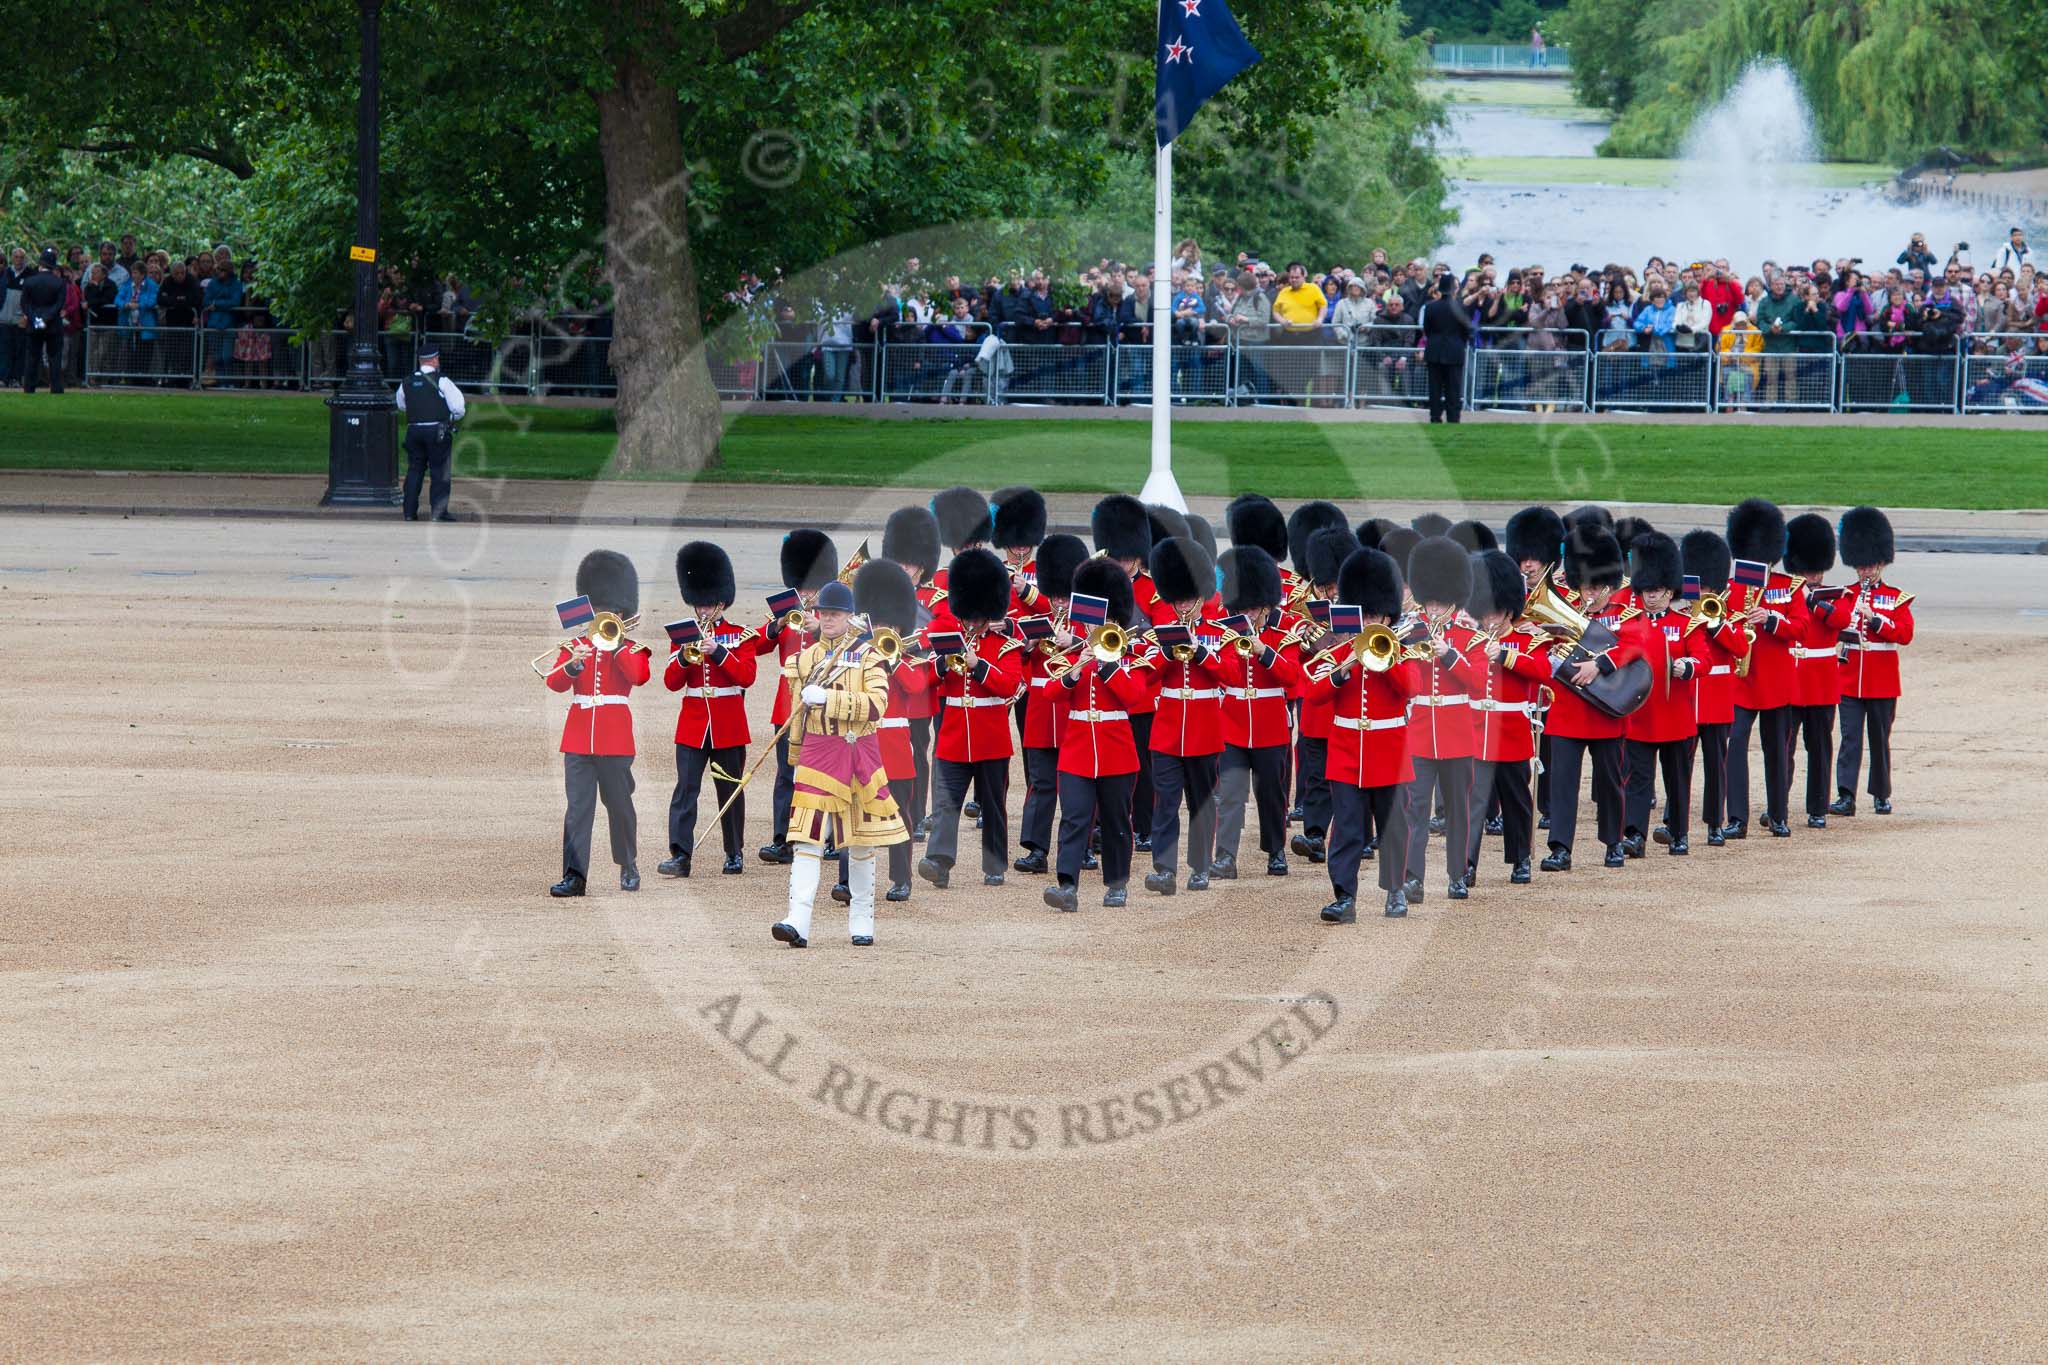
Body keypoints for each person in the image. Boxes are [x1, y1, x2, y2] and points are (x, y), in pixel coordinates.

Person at [769, 579, 907, 949]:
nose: (827, 619)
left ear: (849, 616)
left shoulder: (869, 655)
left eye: (834, 613)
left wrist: (829, 698)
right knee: (806, 839)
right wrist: (794, 757)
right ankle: (798, 919)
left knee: (860, 842)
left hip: (857, 752)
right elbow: (797, 718)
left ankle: (862, 917)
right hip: (817, 754)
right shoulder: (802, 660)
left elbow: (878, 705)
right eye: (823, 613)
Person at [1312, 548, 1421, 922]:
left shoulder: (1401, 652)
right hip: (1346, 753)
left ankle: (1395, 890)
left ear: (1388, 616)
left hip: (1389, 751)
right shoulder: (1341, 650)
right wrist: (1344, 668)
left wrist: (1382, 659)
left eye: (1375, 615)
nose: (1369, 621)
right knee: (1345, 829)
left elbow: (1410, 688)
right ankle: (1344, 896)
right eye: (1365, 614)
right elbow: (1313, 694)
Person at [1044, 560, 1155, 911]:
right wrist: (1078, 670)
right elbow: (1050, 691)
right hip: (1077, 749)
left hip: (1116, 749)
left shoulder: (1130, 655)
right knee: (1074, 817)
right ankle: (1067, 885)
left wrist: (1107, 665)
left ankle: (1117, 883)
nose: (1094, 626)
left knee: (1117, 820)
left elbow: (1137, 697)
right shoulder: (1075, 653)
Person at [914, 548, 1025, 889]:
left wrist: (978, 666)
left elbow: (1010, 685)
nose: (974, 624)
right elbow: (922, 681)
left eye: (978, 618)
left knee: (993, 805)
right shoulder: (947, 638)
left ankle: (994, 864)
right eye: (969, 617)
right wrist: (942, 664)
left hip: (990, 736)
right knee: (945, 803)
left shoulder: (1005, 645)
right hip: (953, 735)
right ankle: (938, 861)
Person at [542, 550, 650, 897]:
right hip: (577, 740)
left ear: (622, 614)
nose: (605, 615)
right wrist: (573, 664)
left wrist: (616, 647)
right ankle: (575, 875)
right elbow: (555, 683)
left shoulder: (632, 648)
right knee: (578, 809)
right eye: (600, 609)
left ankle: (628, 863)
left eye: (611, 611)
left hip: (615, 740)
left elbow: (639, 676)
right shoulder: (575, 646)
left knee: (619, 807)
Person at [1539, 526, 1644, 871]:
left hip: (1606, 709)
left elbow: (1636, 643)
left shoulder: (1625, 609)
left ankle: (1613, 842)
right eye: (1585, 586)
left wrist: (1600, 664)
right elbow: (1547, 646)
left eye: (1595, 587)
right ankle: (1560, 847)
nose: (1589, 593)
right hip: (1568, 709)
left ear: (1608, 584)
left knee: (1611, 782)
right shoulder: (1563, 606)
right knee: (1562, 784)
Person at [660, 542, 758, 879]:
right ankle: (680, 854)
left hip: (728, 722)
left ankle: (734, 852)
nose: (702, 610)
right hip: (692, 723)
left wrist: (717, 652)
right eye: (698, 603)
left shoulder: (739, 635)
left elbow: (746, 676)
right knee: (685, 791)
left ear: (721, 602)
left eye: (708, 604)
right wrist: (685, 657)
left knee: (729, 789)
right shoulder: (683, 636)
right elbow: (671, 682)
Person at [1399, 537, 1484, 901]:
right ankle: (1413, 877)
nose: (1432, 609)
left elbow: (1478, 683)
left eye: (1438, 603)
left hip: (1456, 733)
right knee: (1415, 809)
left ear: (1453, 600)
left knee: (1458, 812)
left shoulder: (1469, 637)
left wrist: (1449, 654)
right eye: (1428, 601)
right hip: (1420, 732)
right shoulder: (1408, 632)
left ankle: (1457, 875)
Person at [1143, 537, 1228, 896]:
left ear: (1200, 598)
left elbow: (1232, 675)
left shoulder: (1216, 633)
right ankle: (1164, 869)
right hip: (1168, 729)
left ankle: (1200, 866)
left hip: (1204, 728)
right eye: (1177, 600)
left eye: (1188, 600)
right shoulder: (1160, 634)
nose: (1182, 606)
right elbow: (1146, 676)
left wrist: (1199, 655)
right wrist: (1168, 655)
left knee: (1200, 803)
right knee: (1165, 802)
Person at [1724, 498, 1805, 839]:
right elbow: (1722, 624)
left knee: (1777, 750)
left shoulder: (1788, 587)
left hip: (1775, 681)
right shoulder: (1734, 587)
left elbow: (1801, 628)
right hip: (1742, 681)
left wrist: (1772, 619)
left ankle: (1778, 814)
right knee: (1735, 748)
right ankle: (1737, 818)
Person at [1464, 550, 1546, 885]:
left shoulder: (1527, 638)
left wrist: (1508, 656)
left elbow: (1542, 671)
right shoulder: (1472, 639)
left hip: (1511, 731)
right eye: (1484, 613)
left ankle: (1520, 858)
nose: (1489, 620)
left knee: (1516, 800)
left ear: (1509, 609)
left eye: (1494, 613)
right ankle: (1466, 862)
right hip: (1476, 731)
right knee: (1473, 802)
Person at [755, 530, 838, 864]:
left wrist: (817, 626)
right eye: (802, 586)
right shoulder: (787, 608)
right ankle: (784, 839)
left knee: (827, 773)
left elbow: (849, 643)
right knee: (786, 774)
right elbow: (758, 645)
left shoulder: (833, 610)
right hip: (787, 702)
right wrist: (776, 627)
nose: (805, 592)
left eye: (810, 586)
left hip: (823, 699)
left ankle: (831, 838)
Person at [1619, 533, 1701, 856]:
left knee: (1677, 781)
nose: (1650, 597)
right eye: (1646, 591)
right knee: (1637, 781)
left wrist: (1686, 666)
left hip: (1675, 715)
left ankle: (1679, 833)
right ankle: (1634, 834)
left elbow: (1702, 659)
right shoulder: (1630, 624)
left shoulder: (1685, 624)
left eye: (1655, 592)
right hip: (1641, 715)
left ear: (1669, 592)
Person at [1015, 533, 1091, 876]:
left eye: (1064, 596)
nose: (1059, 602)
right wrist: (1028, 646)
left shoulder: (1087, 615)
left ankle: (1084, 846)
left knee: (1081, 784)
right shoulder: (1040, 618)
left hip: (1074, 711)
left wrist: (1074, 640)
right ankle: (1036, 848)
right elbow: (1020, 663)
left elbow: (1104, 645)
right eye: (1056, 596)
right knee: (1042, 781)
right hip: (1043, 711)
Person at [1831, 507, 1912, 816]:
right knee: (1850, 739)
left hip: (1882, 680)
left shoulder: (1896, 597)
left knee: (1879, 740)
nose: (1865, 572)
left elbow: (1904, 633)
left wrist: (1875, 619)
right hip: (1849, 678)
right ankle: (1846, 795)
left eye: (1870, 567)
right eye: (1860, 567)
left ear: (1881, 564)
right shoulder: (1845, 595)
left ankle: (1880, 794)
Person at [1675, 530, 1751, 846]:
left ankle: (1714, 824)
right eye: (1696, 586)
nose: (1699, 592)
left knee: (1714, 767)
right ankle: (1674, 822)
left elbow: (1740, 648)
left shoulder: (1728, 617)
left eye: (1705, 587)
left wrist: (1715, 624)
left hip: (1717, 700)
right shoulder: (1679, 617)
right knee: (1679, 766)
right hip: (1687, 698)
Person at [1783, 514, 1846, 829]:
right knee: (1784, 747)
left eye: (1817, 569)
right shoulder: (1783, 594)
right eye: (1808, 569)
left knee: (1819, 747)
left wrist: (1814, 603)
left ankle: (1817, 807)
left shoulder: (1835, 595)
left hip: (1820, 682)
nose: (1813, 574)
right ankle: (1778, 804)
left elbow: (1841, 621)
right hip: (1791, 680)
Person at [393, 345, 466, 522]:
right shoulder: (442, 380)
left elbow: (402, 405)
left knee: (415, 470)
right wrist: (450, 417)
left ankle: (409, 512)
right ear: (434, 360)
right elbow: (458, 408)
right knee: (440, 472)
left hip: (414, 431)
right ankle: (438, 513)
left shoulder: (407, 381)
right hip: (437, 431)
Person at [1418, 273, 1475, 423]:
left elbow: (1427, 329)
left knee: (1435, 388)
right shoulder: (1461, 308)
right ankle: (1453, 417)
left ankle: (1435, 416)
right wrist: (1458, 342)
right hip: (1455, 350)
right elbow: (1467, 331)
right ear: (1454, 289)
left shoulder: (1430, 308)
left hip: (1435, 349)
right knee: (1453, 388)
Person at [16, 248, 68, 393]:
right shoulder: (59, 283)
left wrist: (36, 319)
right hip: (52, 325)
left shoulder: (29, 281)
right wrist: (46, 318)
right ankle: (56, 387)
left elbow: (24, 304)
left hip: (34, 324)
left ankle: (29, 387)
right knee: (54, 357)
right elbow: (59, 305)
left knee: (32, 357)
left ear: (41, 263)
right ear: (53, 265)